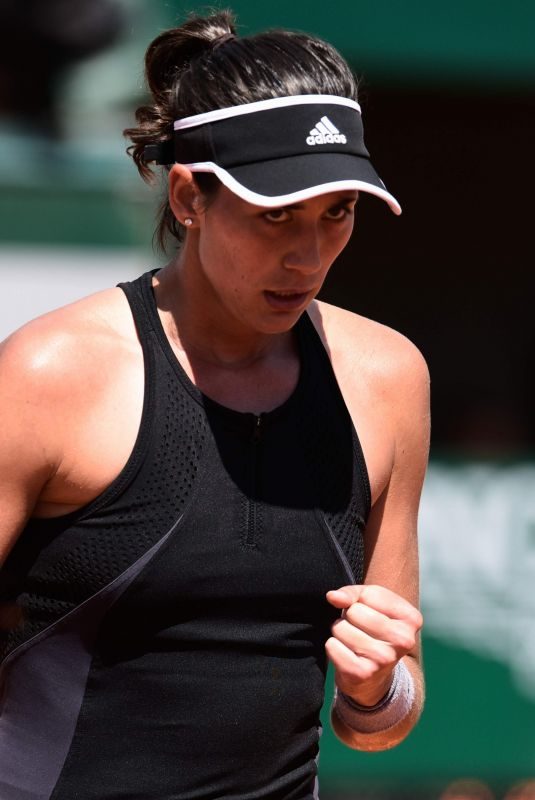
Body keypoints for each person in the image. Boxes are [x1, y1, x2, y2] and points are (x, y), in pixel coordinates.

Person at [0, 10, 429, 800]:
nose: (307, 255)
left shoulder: (387, 376)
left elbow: (386, 717)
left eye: (337, 211)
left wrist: (377, 689)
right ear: (190, 196)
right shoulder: (49, 372)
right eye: (275, 215)